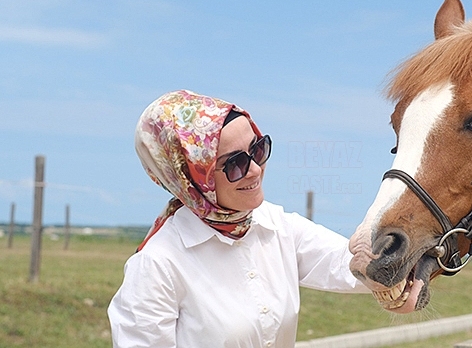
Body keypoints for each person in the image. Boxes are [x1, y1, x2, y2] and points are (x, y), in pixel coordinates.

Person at [107, 90, 368, 348]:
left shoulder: (274, 224)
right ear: (191, 178)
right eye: (235, 164)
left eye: (258, 149)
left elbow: (346, 264)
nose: (255, 170)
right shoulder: (158, 265)